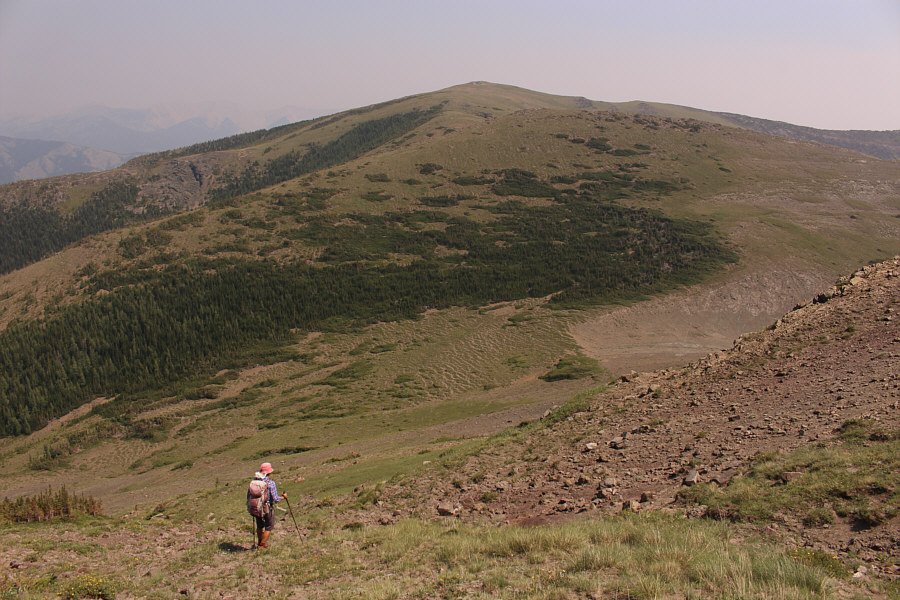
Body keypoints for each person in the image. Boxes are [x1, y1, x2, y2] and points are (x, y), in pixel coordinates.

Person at [252, 462, 287, 549]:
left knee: (259, 525)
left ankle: (259, 541)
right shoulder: (270, 483)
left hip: (256, 507)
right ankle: (262, 545)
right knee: (269, 526)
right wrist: (283, 497)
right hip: (267, 507)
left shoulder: (254, 481)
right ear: (269, 472)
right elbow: (275, 498)